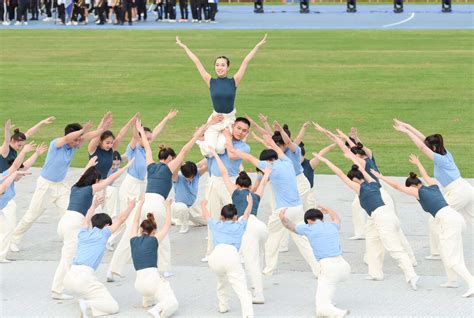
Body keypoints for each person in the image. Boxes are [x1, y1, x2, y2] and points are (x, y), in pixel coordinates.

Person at [107, 118, 207, 281]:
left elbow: (146, 146)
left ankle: (112, 270)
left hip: (143, 202)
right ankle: (165, 269)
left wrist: (140, 131)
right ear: (168, 159)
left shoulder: (150, 165)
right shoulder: (169, 167)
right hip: (157, 203)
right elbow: (184, 150)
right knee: (162, 234)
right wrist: (202, 130)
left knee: (129, 236)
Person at [371, 154, 474, 298]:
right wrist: (418, 163)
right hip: (455, 219)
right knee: (447, 252)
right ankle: (452, 280)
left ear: (413, 186)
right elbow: (425, 175)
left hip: (449, 222)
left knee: (454, 259)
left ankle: (472, 284)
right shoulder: (432, 185)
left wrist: (380, 177)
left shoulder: (417, 191)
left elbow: (397, 186)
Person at [313, 151, 419, 290]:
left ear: (353, 180)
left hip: (382, 219)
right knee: (372, 241)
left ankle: (411, 275)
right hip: (382, 216)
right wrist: (352, 158)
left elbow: (339, 173)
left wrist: (325, 161)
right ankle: (375, 273)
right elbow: (363, 169)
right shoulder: (373, 183)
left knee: (395, 249)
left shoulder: (359, 188)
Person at [10, 120, 106, 252]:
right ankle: (14, 239)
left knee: (70, 212)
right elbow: (68, 138)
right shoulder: (56, 143)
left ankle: (73, 239)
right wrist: (83, 130)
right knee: (32, 215)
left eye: (79, 140)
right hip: (46, 185)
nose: (78, 143)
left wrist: (103, 127)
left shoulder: (74, 144)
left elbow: (89, 136)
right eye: (76, 140)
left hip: (61, 186)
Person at [232, 133, 320, 277]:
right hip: (298, 209)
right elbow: (279, 151)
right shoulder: (287, 162)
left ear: (266, 161)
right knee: (302, 241)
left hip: (283, 211)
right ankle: (317, 269)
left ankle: (268, 269)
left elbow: (248, 157)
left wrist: (232, 149)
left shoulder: (269, 167)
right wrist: (270, 142)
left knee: (271, 239)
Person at [51, 156, 134, 300]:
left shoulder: (76, 187)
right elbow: (109, 180)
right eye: (99, 181)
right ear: (95, 181)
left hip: (64, 221)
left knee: (70, 255)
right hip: (74, 223)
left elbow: (83, 175)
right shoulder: (90, 189)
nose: (100, 183)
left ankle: (71, 283)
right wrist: (126, 167)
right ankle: (57, 290)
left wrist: (89, 164)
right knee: (67, 258)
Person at [394, 119, 474, 259]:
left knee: (435, 218)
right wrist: (408, 126)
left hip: (458, 192)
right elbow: (424, 141)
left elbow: (422, 147)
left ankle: (438, 252)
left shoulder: (440, 158)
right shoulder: (445, 152)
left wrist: (406, 132)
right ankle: (439, 250)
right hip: (465, 188)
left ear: (434, 148)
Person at [175, 34, 267, 156]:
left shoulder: (234, 80)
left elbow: (246, 61)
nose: (220, 68)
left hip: (229, 120)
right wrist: (184, 46)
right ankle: (200, 140)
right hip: (215, 119)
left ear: (228, 67)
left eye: (223, 65)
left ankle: (207, 140)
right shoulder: (210, 81)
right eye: (217, 65)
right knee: (209, 151)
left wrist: (258, 45)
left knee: (221, 149)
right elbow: (197, 62)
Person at [106, 110, 176, 252]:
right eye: (146, 138)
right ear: (140, 138)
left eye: (150, 139)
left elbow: (155, 131)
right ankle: (109, 238)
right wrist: (136, 125)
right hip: (130, 185)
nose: (149, 140)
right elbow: (134, 136)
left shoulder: (147, 149)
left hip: (141, 186)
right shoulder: (133, 148)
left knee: (137, 215)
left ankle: (132, 238)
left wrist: (166, 118)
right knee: (128, 216)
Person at [211, 147, 271, 304]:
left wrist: (216, 155)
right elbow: (264, 180)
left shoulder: (235, 192)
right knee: (258, 255)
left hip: (247, 225)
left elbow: (224, 173)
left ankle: (259, 294)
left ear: (237, 186)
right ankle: (260, 274)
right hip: (261, 227)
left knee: (251, 262)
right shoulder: (255, 195)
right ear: (250, 187)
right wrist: (268, 171)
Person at [63, 197, 136, 317]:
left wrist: (93, 206)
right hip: (84, 278)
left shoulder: (83, 233)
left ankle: (86, 301)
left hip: (69, 277)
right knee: (113, 306)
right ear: (107, 225)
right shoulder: (103, 233)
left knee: (88, 290)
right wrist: (131, 207)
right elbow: (121, 219)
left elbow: (86, 220)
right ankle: (86, 304)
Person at [280, 206, 351, 317]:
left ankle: (337, 312)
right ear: (322, 219)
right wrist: (329, 209)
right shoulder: (332, 225)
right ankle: (329, 301)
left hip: (329, 267)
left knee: (321, 306)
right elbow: (337, 218)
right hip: (344, 266)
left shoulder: (308, 227)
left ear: (308, 221)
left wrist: (282, 217)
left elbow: (290, 226)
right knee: (328, 285)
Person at [201, 118, 251, 262]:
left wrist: (228, 137)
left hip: (230, 181)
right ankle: (210, 251)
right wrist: (211, 124)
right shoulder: (218, 140)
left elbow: (231, 155)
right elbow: (200, 136)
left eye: (244, 130)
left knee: (236, 216)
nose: (241, 132)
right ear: (232, 126)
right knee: (213, 216)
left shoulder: (243, 147)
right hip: (214, 181)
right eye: (239, 128)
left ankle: (240, 252)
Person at [201, 195, 254, 318]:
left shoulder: (216, 224)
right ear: (235, 217)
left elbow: (206, 216)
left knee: (221, 280)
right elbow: (246, 215)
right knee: (241, 287)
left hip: (215, 258)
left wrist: (203, 205)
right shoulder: (240, 225)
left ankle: (223, 306)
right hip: (231, 256)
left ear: (221, 217)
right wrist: (249, 203)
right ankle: (248, 314)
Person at [130, 196, 179, 317]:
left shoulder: (133, 239)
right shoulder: (154, 239)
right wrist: (168, 207)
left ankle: (148, 302)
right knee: (172, 303)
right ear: (154, 231)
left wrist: (140, 204)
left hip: (139, 285)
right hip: (152, 282)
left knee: (153, 287)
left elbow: (135, 221)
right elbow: (167, 224)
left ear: (141, 229)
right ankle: (158, 309)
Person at [88, 112, 138, 217]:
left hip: (103, 184)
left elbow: (120, 135)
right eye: (107, 143)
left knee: (111, 192)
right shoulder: (93, 149)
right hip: (91, 185)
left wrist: (131, 122)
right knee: (93, 212)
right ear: (101, 141)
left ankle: (111, 220)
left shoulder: (111, 150)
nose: (110, 145)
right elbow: (96, 136)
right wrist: (103, 124)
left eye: (111, 143)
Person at [0, 142, 37, 263]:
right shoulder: (5, 176)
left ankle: (1, 255)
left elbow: (23, 166)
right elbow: (16, 167)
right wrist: (24, 151)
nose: (21, 174)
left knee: (7, 228)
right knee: (6, 228)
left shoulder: (12, 179)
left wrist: (36, 153)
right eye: (19, 173)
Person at [171, 161, 207, 234]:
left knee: (206, 222)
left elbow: (207, 164)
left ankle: (177, 220)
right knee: (182, 208)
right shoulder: (178, 177)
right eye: (187, 177)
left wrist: (195, 165)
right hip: (180, 207)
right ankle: (183, 226)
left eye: (192, 177)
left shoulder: (196, 174)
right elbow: (174, 171)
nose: (190, 179)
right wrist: (180, 164)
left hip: (192, 207)